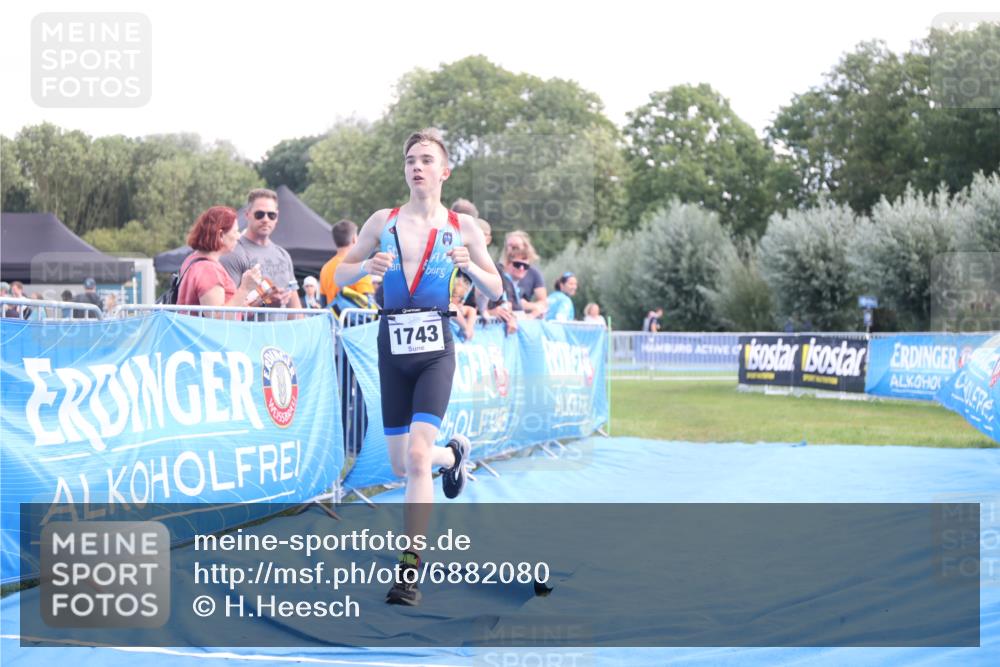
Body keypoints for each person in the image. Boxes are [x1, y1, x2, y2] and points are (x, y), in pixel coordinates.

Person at [336, 128, 502, 606]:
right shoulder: (382, 221)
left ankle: (409, 572)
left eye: (427, 159)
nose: (417, 166)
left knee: (413, 459)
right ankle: (453, 457)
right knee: (400, 464)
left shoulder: (462, 226)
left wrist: (469, 266)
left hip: (435, 350)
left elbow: (494, 290)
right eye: (411, 159)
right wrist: (363, 269)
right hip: (392, 347)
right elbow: (337, 275)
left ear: (444, 171)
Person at [220, 188, 302, 319]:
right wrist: (265, 302)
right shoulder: (233, 253)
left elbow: (295, 307)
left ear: (277, 217)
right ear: (247, 215)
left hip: (280, 337)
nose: (265, 219)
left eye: (271, 215)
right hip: (248, 336)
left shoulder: (283, 255)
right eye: (259, 214)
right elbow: (226, 310)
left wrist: (300, 335)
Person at [177, 206, 261, 319]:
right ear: (220, 235)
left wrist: (243, 304)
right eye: (235, 231)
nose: (238, 236)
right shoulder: (209, 269)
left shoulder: (192, 259)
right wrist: (245, 288)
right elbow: (216, 318)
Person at [319, 219, 376, 307]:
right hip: (356, 320)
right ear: (354, 239)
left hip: (332, 318)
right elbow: (368, 301)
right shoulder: (358, 266)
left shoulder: (325, 268)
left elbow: (323, 301)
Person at [500, 231, 547, 318]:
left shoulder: (534, 273)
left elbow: (543, 302)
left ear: (525, 247)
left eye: (516, 247)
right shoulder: (499, 271)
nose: (521, 268)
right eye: (509, 246)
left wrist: (527, 306)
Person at [449, 276, 478, 341]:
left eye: (463, 297)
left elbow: (471, 310)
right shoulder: (445, 308)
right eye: (460, 297)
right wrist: (465, 328)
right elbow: (452, 310)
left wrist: (469, 327)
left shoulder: (460, 309)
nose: (462, 301)